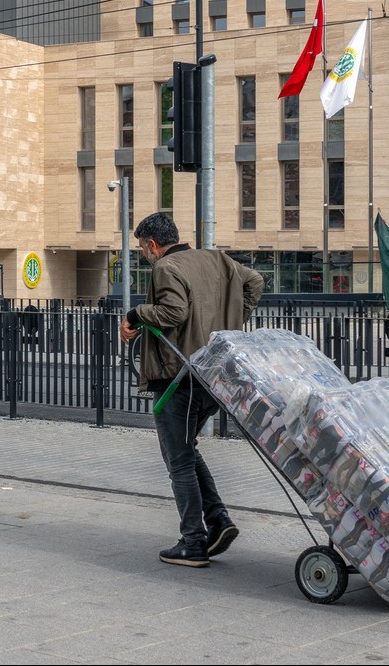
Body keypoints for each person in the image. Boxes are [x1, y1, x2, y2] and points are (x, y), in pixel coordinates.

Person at [119, 212, 264, 568]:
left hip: (179, 378)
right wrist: (232, 320)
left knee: (178, 460)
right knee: (185, 450)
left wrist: (136, 314)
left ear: (153, 245)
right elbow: (256, 281)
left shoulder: (165, 269)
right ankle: (218, 522)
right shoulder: (216, 258)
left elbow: (174, 312)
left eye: (142, 248)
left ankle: (193, 542)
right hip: (214, 375)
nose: (144, 255)